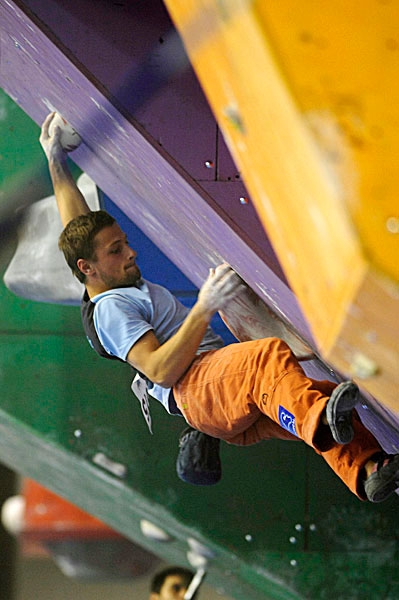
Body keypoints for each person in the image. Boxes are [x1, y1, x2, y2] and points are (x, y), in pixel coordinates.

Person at [39, 112, 399, 504]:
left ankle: (368, 472)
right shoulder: (112, 310)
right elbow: (159, 370)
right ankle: (320, 422)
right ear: (87, 269)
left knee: (317, 392)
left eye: (123, 242)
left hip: (215, 403)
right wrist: (205, 306)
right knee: (268, 361)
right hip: (198, 388)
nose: (130, 252)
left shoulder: (102, 277)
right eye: (116, 250)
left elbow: (79, 226)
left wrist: (55, 159)